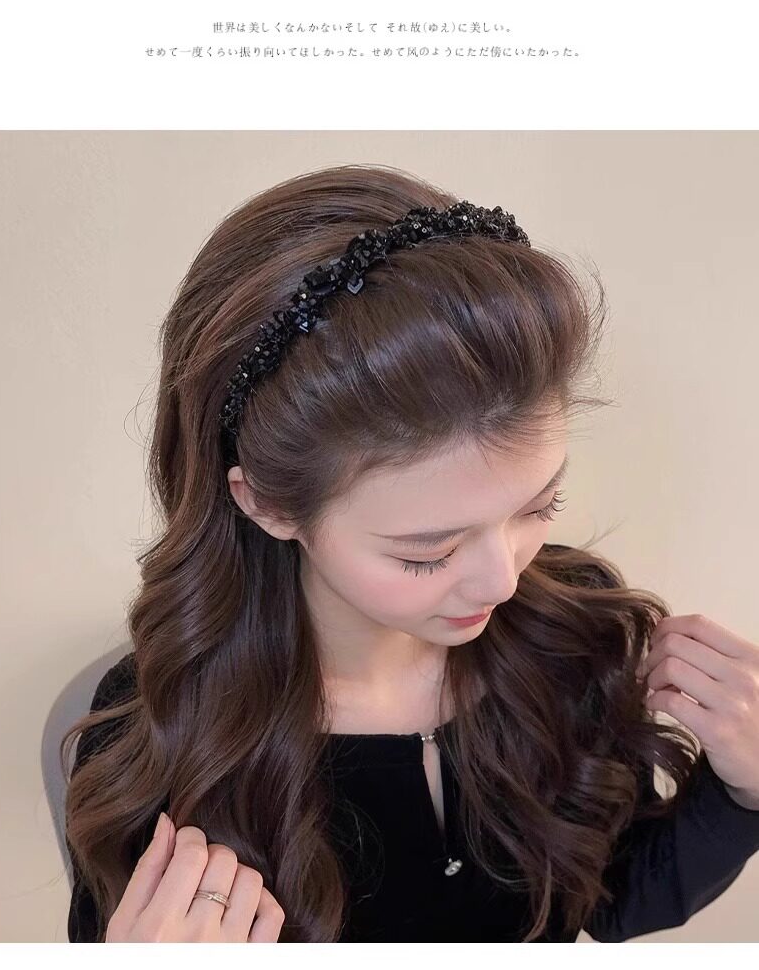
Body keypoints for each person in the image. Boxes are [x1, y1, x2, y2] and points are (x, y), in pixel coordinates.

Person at [62, 163, 759, 943]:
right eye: (428, 551)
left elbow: (616, 896)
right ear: (266, 503)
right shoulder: (164, 735)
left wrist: (744, 790)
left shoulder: (565, 633)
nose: (503, 579)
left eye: (538, 507)